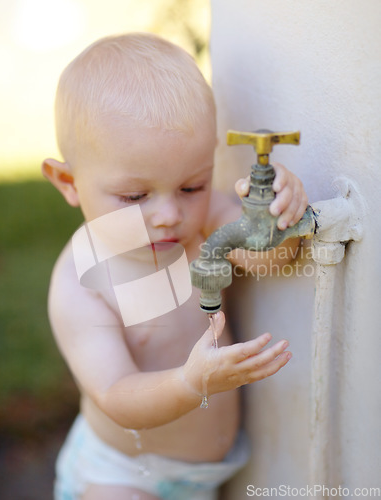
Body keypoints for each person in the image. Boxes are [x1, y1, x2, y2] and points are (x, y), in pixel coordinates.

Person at [42, 32, 308, 500]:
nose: (170, 214)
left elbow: (269, 257)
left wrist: (282, 207)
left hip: (205, 476)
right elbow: (117, 395)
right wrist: (190, 383)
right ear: (68, 182)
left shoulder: (200, 223)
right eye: (135, 196)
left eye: (191, 186)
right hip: (124, 474)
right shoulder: (83, 282)